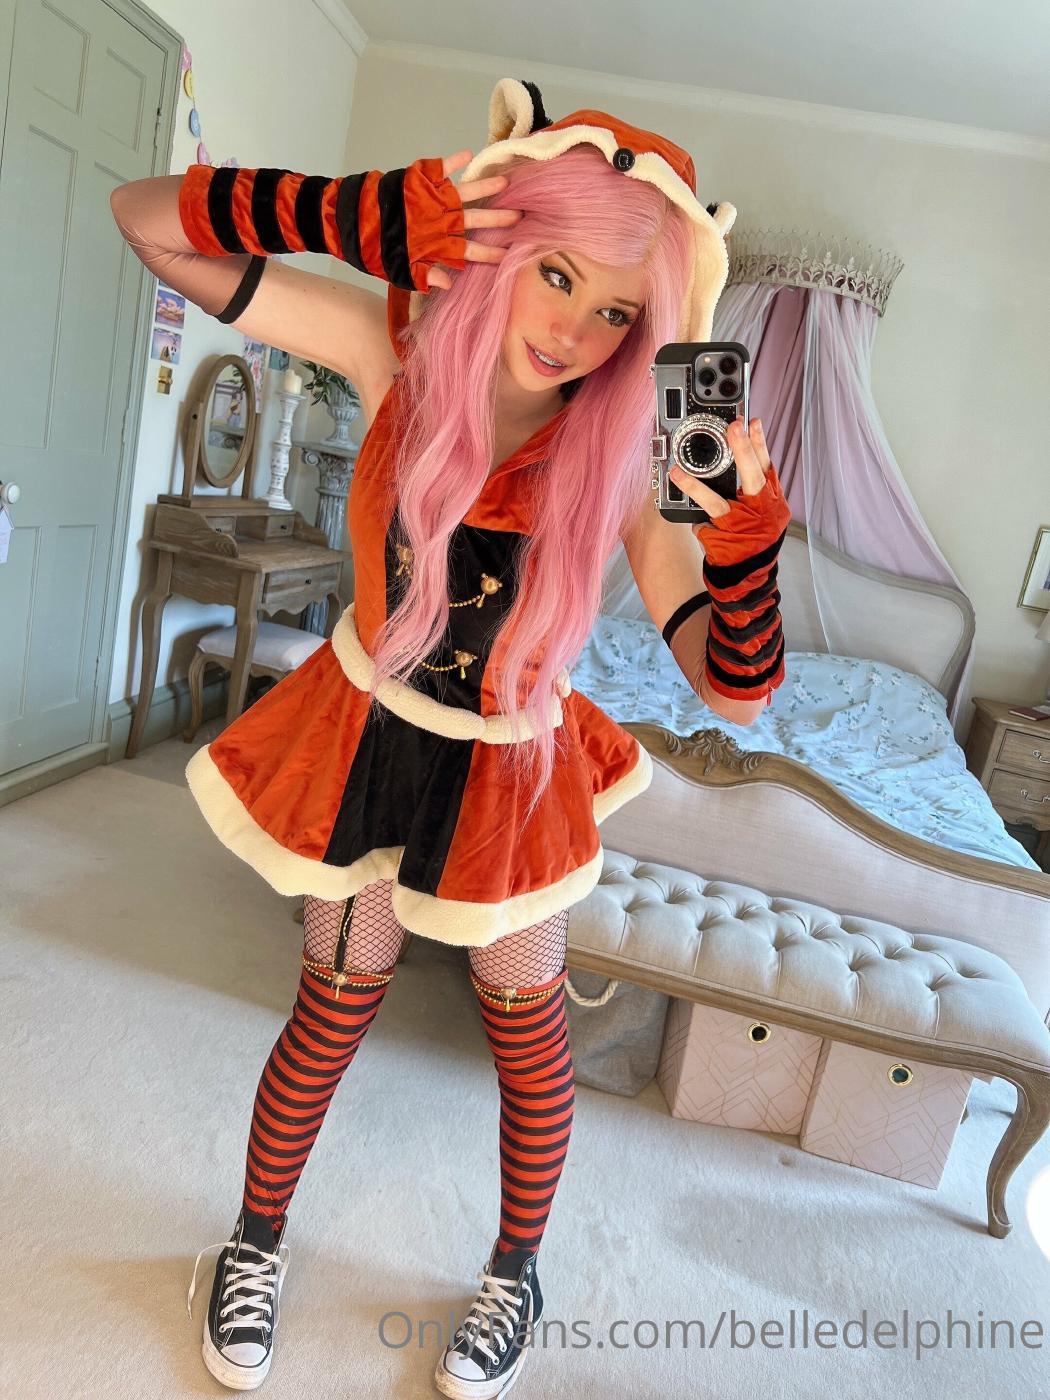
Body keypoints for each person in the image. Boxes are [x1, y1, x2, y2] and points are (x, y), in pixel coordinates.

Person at [110, 76, 790, 1397]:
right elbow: (147, 217)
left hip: (511, 773)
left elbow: (737, 691)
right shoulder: (397, 349)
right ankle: (253, 1242)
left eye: (616, 311)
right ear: (495, 244)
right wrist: (365, 213)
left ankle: (514, 1272)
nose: (574, 331)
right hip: (367, 734)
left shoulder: (641, 447)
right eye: (554, 274)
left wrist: (742, 542)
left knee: (526, 1042)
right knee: (330, 1008)